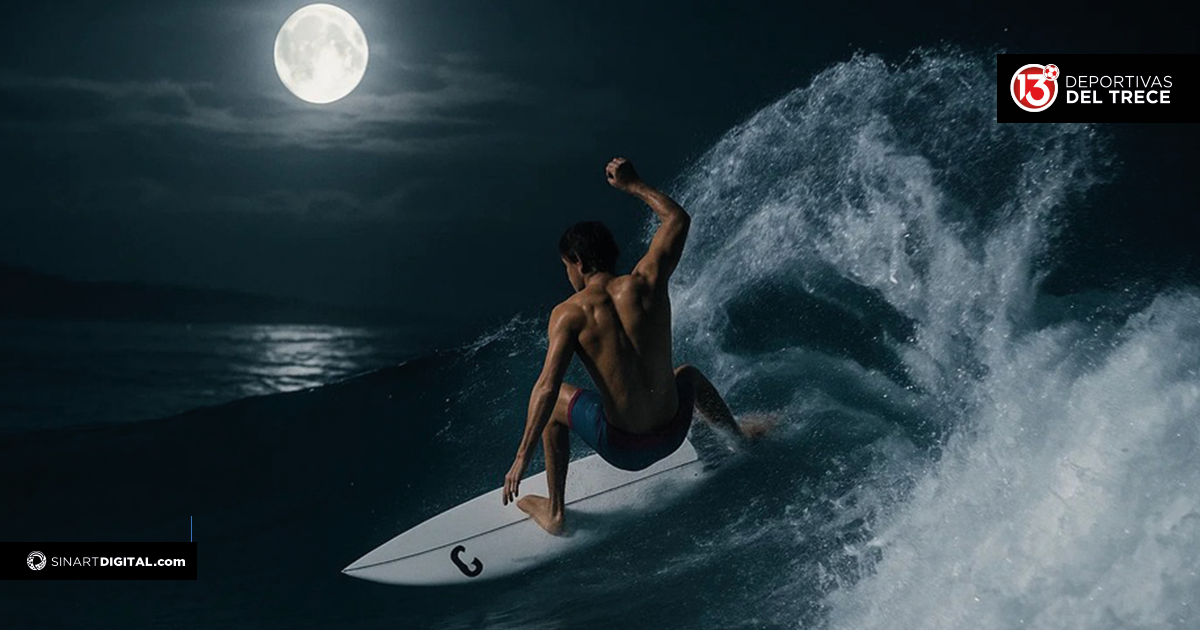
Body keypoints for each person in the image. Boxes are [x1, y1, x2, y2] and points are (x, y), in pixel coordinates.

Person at [501, 157, 764, 535]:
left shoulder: (569, 313)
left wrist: (521, 458)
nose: (568, 274)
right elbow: (677, 220)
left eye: (566, 266)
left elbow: (545, 388)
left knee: (556, 398)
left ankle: (556, 513)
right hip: (674, 431)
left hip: (625, 450)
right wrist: (633, 184)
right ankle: (738, 438)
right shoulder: (647, 281)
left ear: (577, 261)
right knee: (687, 375)